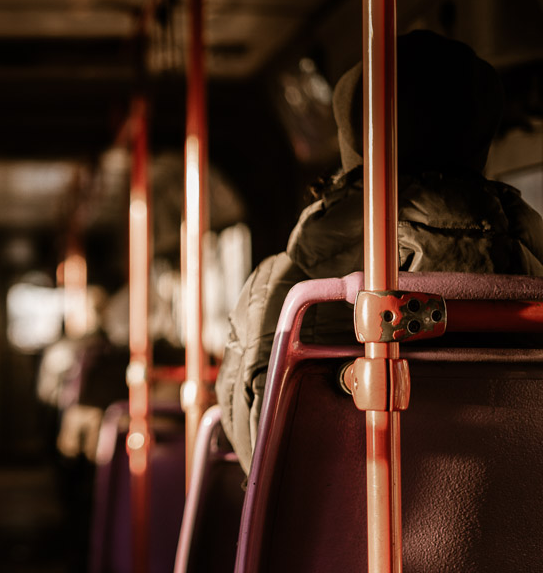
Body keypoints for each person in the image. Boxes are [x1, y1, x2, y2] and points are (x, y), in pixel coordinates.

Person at [216, 30, 543, 475]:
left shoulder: (286, 290)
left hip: (337, 541)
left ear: (352, 139)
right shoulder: (532, 268)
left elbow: (258, 451)